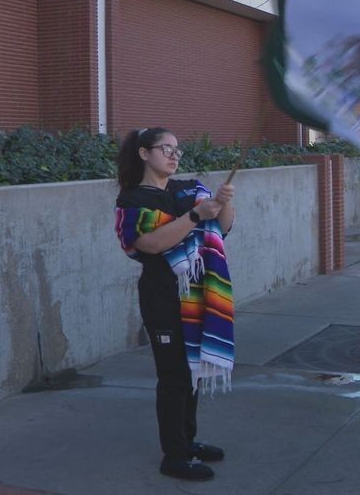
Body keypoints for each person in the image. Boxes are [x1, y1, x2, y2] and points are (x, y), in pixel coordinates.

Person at [113, 127, 236, 482]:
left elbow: (223, 227)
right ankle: (174, 455)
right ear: (143, 153)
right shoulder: (133, 200)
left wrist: (224, 200)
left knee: (192, 373)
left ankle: (189, 441)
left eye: (177, 150)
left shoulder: (189, 189)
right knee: (174, 377)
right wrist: (196, 216)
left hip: (198, 297)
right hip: (162, 297)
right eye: (165, 148)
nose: (173, 155)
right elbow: (149, 243)